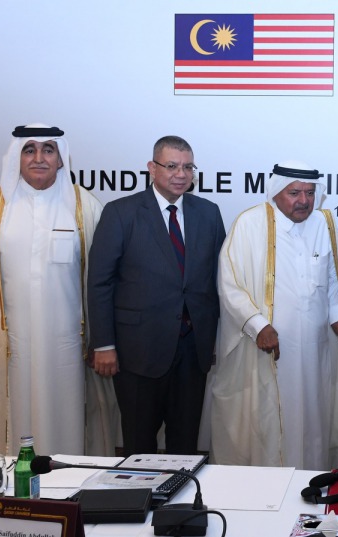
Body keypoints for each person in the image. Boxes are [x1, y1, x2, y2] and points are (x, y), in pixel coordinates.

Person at [0, 124, 117, 456]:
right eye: (29, 150)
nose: (39, 158)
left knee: (69, 426)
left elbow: (106, 282)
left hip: (69, 350)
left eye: (48, 150)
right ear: (16, 156)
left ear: (61, 159)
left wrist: (102, 341)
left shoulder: (85, 208)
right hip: (5, 348)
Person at [211, 161, 338, 470]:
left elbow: (333, 277)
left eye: (309, 192)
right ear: (276, 192)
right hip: (267, 347)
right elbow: (230, 284)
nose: (303, 201)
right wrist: (258, 325)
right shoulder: (250, 224)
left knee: (313, 415)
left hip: (315, 347)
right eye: (294, 192)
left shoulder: (323, 223)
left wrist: (337, 313)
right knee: (269, 419)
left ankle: (312, 481)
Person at [88, 135, 225, 455]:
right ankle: (140, 503)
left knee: (185, 445)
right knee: (139, 443)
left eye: (188, 167)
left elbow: (218, 281)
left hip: (193, 351)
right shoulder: (120, 212)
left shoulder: (209, 212)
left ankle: (179, 506)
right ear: (152, 168)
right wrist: (103, 344)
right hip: (137, 352)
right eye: (172, 166)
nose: (181, 174)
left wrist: (214, 339)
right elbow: (99, 282)